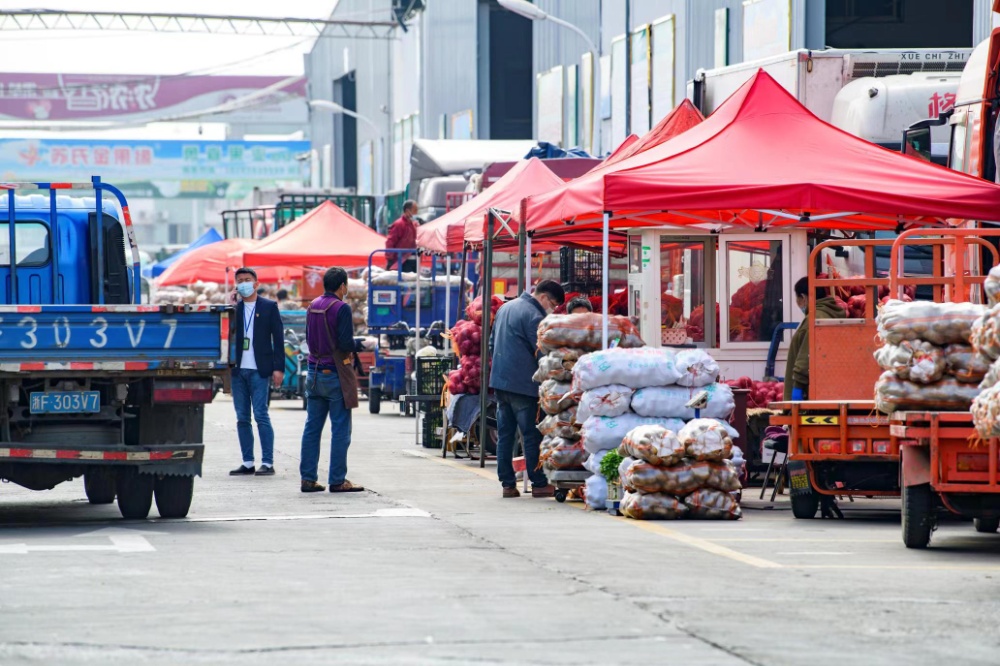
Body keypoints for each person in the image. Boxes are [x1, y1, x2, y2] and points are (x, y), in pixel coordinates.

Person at [489, 279, 566, 498]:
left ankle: (507, 484)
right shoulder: (535, 317)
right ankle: (539, 483)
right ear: (543, 297)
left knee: (506, 435)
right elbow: (542, 353)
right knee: (531, 435)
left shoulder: (506, 307)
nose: (551, 309)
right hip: (523, 385)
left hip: (501, 382)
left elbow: (491, 344)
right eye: (552, 304)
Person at [299, 267, 367, 493]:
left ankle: (308, 479)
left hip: (313, 372)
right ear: (342, 286)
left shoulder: (312, 306)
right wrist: (361, 344)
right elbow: (345, 344)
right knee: (340, 429)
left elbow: (308, 338)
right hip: (334, 374)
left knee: (312, 428)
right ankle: (337, 480)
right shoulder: (341, 308)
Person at [229, 268, 285, 476]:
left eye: (247, 280)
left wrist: (279, 368)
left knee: (261, 415)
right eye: (240, 280)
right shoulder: (234, 309)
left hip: (260, 370)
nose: (243, 283)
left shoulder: (269, 307)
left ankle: (268, 462)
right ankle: (248, 461)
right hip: (238, 370)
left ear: (255, 283)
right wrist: (231, 302)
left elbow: (278, 340)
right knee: (242, 417)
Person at [784, 276, 847, 401]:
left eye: (797, 298)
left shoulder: (813, 320)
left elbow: (806, 357)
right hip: (829, 391)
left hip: (810, 394)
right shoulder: (833, 315)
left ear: (803, 297)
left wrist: (797, 387)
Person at [386, 200, 419, 272]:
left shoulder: (414, 225)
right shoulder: (399, 224)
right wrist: (390, 259)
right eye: (415, 210)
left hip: (414, 260)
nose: (417, 213)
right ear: (407, 211)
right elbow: (390, 241)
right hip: (402, 261)